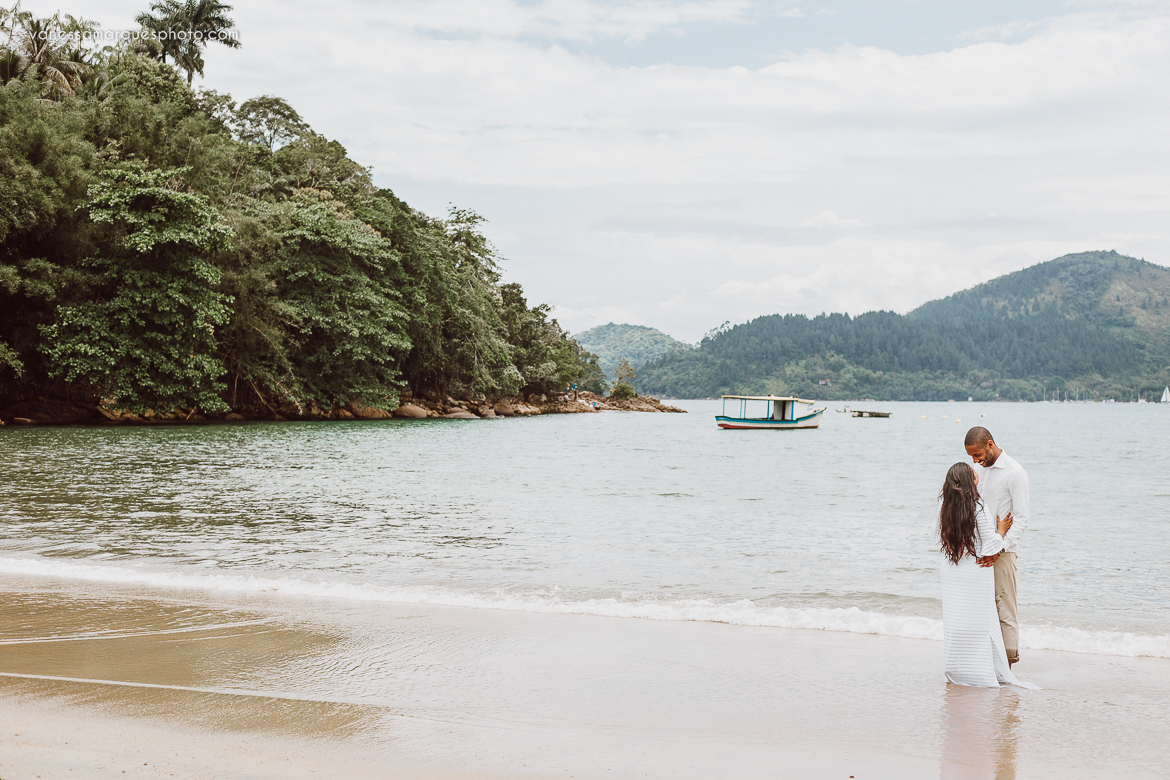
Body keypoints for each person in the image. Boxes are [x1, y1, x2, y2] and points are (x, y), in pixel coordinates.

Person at [938, 463, 1038, 689]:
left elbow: (937, 538)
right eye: (974, 473)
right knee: (981, 621)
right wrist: (1001, 530)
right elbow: (991, 545)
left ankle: (957, 668)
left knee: (956, 620)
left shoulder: (943, 505)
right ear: (969, 481)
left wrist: (958, 549)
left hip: (951, 571)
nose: (977, 472)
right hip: (976, 570)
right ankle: (985, 670)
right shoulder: (977, 506)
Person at [964, 426, 1030, 668]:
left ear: (990, 444)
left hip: (1003, 553)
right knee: (981, 609)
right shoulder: (980, 470)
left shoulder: (1015, 472)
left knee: (1004, 608)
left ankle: (1007, 667)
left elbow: (1022, 520)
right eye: (971, 456)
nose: (975, 460)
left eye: (978, 454)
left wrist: (998, 549)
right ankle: (986, 663)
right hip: (979, 551)